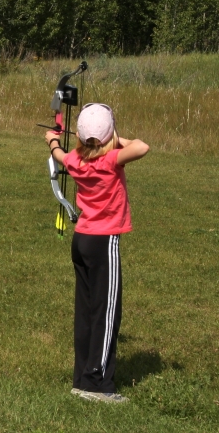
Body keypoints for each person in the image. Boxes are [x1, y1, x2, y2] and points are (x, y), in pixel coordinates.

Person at [45, 103, 149, 403]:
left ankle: (82, 377)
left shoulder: (75, 159)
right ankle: (97, 384)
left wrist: (53, 138)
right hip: (104, 242)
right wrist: (117, 139)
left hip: (82, 240)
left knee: (87, 310)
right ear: (108, 136)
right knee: (106, 312)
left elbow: (58, 153)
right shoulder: (113, 159)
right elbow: (143, 147)